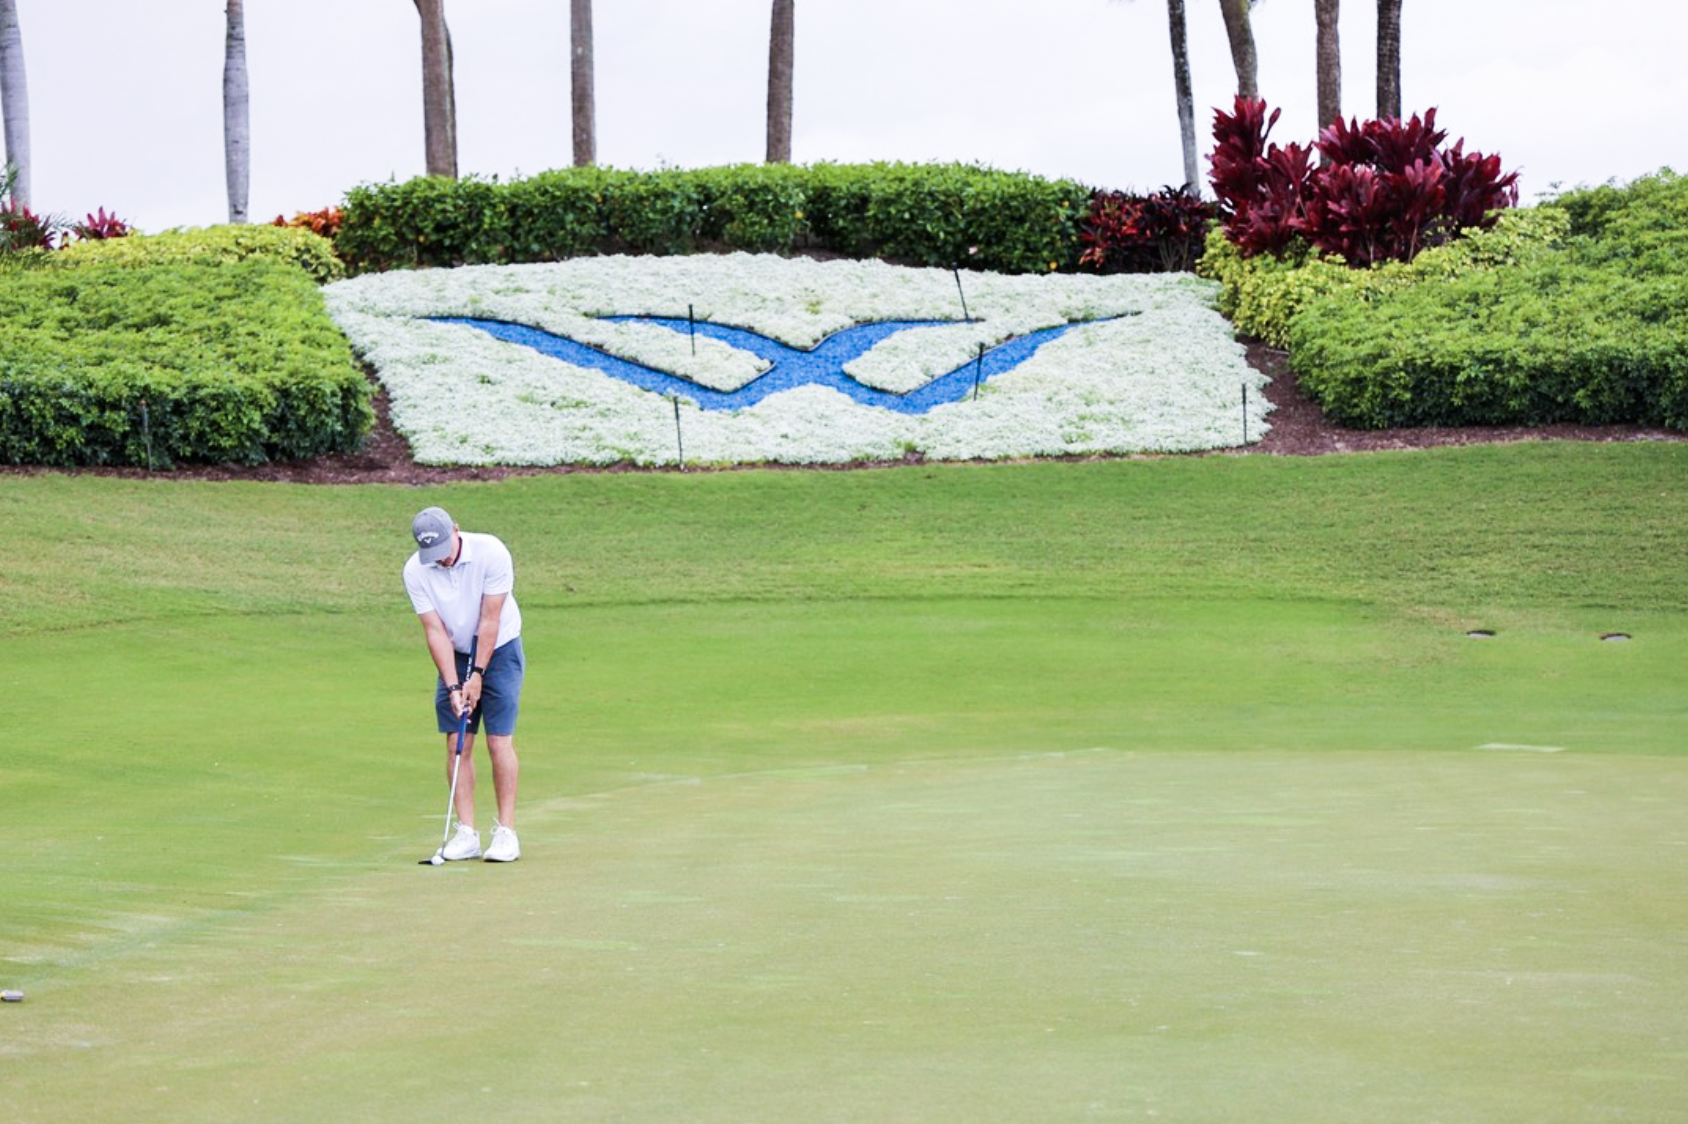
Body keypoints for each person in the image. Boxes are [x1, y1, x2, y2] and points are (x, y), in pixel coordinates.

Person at [403, 506, 525, 862]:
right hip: (455, 652)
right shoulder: (415, 571)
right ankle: (467, 833)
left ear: (456, 530)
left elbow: (490, 621)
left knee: (498, 741)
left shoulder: (491, 552)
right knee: (457, 741)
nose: (440, 560)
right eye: (433, 554)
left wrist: (478, 674)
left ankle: (506, 833)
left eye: (443, 550)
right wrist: (454, 686)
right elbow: (435, 631)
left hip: (500, 648)